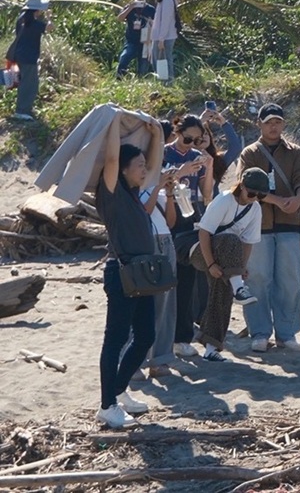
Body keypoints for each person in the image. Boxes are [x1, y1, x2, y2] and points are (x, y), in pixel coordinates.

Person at [95, 112, 165, 429]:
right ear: (123, 170)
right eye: (137, 166)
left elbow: (154, 168)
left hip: (142, 272)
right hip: (121, 272)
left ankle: (120, 391)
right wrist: (113, 122)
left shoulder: (135, 193)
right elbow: (111, 157)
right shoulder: (111, 191)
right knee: (116, 339)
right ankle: (107, 405)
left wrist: (158, 136)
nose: (143, 170)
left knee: (145, 336)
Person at [237, 103, 300, 352]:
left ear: (283, 123)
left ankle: (287, 332)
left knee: (289, 280)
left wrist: (298, 197)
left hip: (289, 224)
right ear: (259, 124)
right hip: (257, 225)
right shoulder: (250, 152)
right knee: (258, 279)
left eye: (278, 121)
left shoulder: (294, 152)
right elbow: (244, 183)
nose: (273, 126)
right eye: (268, 121)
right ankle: (260, 332)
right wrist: (277, 200)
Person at [192, 169, 267, 361]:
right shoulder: (225, 200)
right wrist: (210, 264)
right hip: (200, 250)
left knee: (221, 294)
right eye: (251, 193)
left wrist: (240, 268)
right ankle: (239, 289)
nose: (254, 198)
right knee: (230, 239)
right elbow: (204, 233)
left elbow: (248, 242)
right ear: (241, 186)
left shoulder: (255, 208)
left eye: (261, 195)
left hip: (227, 258)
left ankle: (211, 349)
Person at [167, 115, 214, 359]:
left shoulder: (197, 156)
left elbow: (206, 195)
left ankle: (182, 338)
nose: (192, 144)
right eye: (188, 138)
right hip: (169, 215)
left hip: (192, 216)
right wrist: (180, 172)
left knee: (187, 280)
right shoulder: (164, 153)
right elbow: (155, 181)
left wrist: (209, 167)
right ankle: (166, 337)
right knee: (167, 282)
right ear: (177, 131)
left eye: (197, 140)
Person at [140, 170, 180, 379]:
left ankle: (161, 359)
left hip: (165, 241)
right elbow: (144, 211)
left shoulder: (159, 188)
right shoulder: (132, 187)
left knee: (165, 302)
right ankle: (136, 360)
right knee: (142, 301)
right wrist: (157, 187)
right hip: (144, 243)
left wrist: (170, 194)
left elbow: (171, 222)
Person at [9, 0, 51, 121]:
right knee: (30, 84)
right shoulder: (34, 23)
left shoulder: (21, 19)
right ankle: (22, 111)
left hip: (19, 55)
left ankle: (24, 108)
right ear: (36, 10)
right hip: (28, 58)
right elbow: (50, 28)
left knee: (24, 83)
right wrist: (49, 17)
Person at [116, 0, 154, 77]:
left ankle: (141, 81)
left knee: (143, 66)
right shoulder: (129, 7)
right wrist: (130, 7)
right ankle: (119, 77)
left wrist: (150, 22)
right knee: (124, 57)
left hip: (145, 41)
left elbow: (156, 24)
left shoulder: (151, 9)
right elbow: (120, 18)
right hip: (131, 40)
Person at [149, 0, 179, 82]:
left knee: (163, 61)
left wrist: (161, 39)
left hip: (164, 37)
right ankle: (165, 82)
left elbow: (166, 20)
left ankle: (167, 82)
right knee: (163, 61)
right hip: (163, 35)